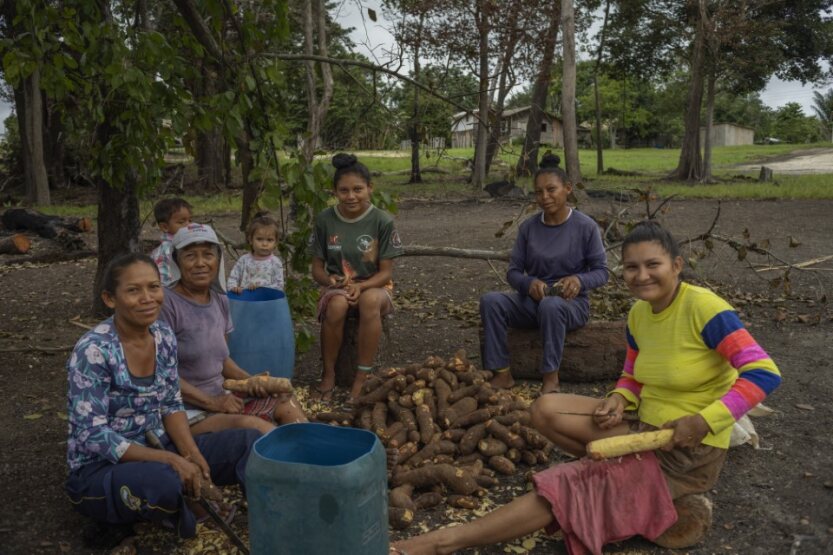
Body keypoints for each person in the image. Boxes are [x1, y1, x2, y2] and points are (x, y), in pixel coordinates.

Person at [392, 221, 781, 555]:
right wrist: (618, 397)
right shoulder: (639, 314)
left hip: (685, 450)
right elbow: (633, 374)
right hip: (643, 428)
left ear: (676, 265)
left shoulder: (706, 309)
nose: (641, 275)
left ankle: (444, 542)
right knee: (544, 409)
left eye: (653, 265)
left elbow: (763, 372)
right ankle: (615, 476)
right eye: (631, 267)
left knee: (566, 484)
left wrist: (705, 421)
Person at [65, 253, 260, 547]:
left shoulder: (162, 335)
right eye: (133, 290)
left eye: (154, 287)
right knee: (164, 481)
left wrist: (190, 454)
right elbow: (92, 434)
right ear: (110, 299)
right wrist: (170, 459)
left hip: (157, 443)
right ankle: (143, 514)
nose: (147, 298)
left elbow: (170, 403)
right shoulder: (94, 351)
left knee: (249, 442)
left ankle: (265, 512)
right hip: (99, 468)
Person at [159, 223, 307, 435]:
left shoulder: (219, 299)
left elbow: (222, 359)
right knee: (260, 431)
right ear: (177, 261)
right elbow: (162, 375)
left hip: (223, 396)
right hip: (185, 411)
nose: (200, 263)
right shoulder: (167, 304)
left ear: (217, 259)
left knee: (286, 402)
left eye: (208, 255)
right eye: (190, 256)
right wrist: (213, 403)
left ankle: (313, 462)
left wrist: (251, 381)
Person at [480, 153, 608, 394]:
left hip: (571, 304)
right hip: (532, 301)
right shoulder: (529, 227)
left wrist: (579, 280)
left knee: (551, 305)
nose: (545, 197)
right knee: (491, 301)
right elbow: (513, 272)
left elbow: (602, 272)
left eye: (551, 190)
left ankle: (550, 378)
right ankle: (502, 373)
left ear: (568, 188)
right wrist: (529, 284)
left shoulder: (585, 226)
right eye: (539, 192)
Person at [309, 153, 404, 401]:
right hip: (339, 285)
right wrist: (329, 281)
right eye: (344, 190)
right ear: (335, 192)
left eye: (358, 189)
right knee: (337, 305)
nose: (351, 196)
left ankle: (362, 377)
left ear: (370, 189)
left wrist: (362, 287)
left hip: (375, 284)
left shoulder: (382, 221)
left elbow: (386, 273)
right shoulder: (324, 220)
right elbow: (317, 268)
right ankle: (328, 374)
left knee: (369, 301)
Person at [228, 213, 286, 294]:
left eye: (269, 240)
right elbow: (233, 278)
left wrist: (261, 287)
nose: (264, 244)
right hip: (246, 302)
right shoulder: (244, 260)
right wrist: (234, 288)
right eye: (259, 239)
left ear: (276, 242)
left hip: (267, 303)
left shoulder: (275, 263)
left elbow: (279, 286)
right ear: (250, 240)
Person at [150, 197, 193, 286]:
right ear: (165, 227)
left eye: (190, 220)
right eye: (181, 222)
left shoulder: (186, 244)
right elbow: (163, 283)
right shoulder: (166, 251)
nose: (188, 225)